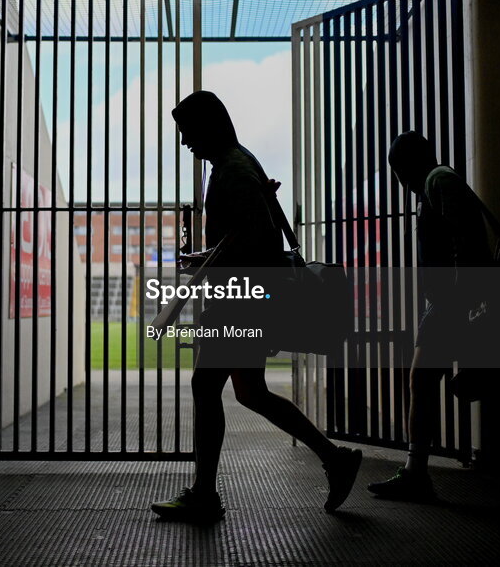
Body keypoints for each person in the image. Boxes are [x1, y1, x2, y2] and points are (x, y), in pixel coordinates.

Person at [150, 90, 363, 523]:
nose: (185, 142)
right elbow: (249, 237)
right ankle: (334, 458)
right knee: (251, 393)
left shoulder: (232, 170)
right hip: (244, 301)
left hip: (239, 304)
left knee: (206, 387)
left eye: (188, 132)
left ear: (209, 127)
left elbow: (258, 243)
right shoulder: (237, 164)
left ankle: (205, 495)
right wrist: (207, 257)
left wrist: (210, 263)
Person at [366, 132, 490, 500]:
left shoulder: (438, 181)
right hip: (448, 303)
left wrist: (462, 306)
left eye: (396, 169)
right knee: (425, 382)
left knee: (422, 382)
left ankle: (416, 472)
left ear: (403, 166)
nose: (398, 179)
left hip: (451, 303)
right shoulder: (438, 183)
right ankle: (415, 470)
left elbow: (464, 244)